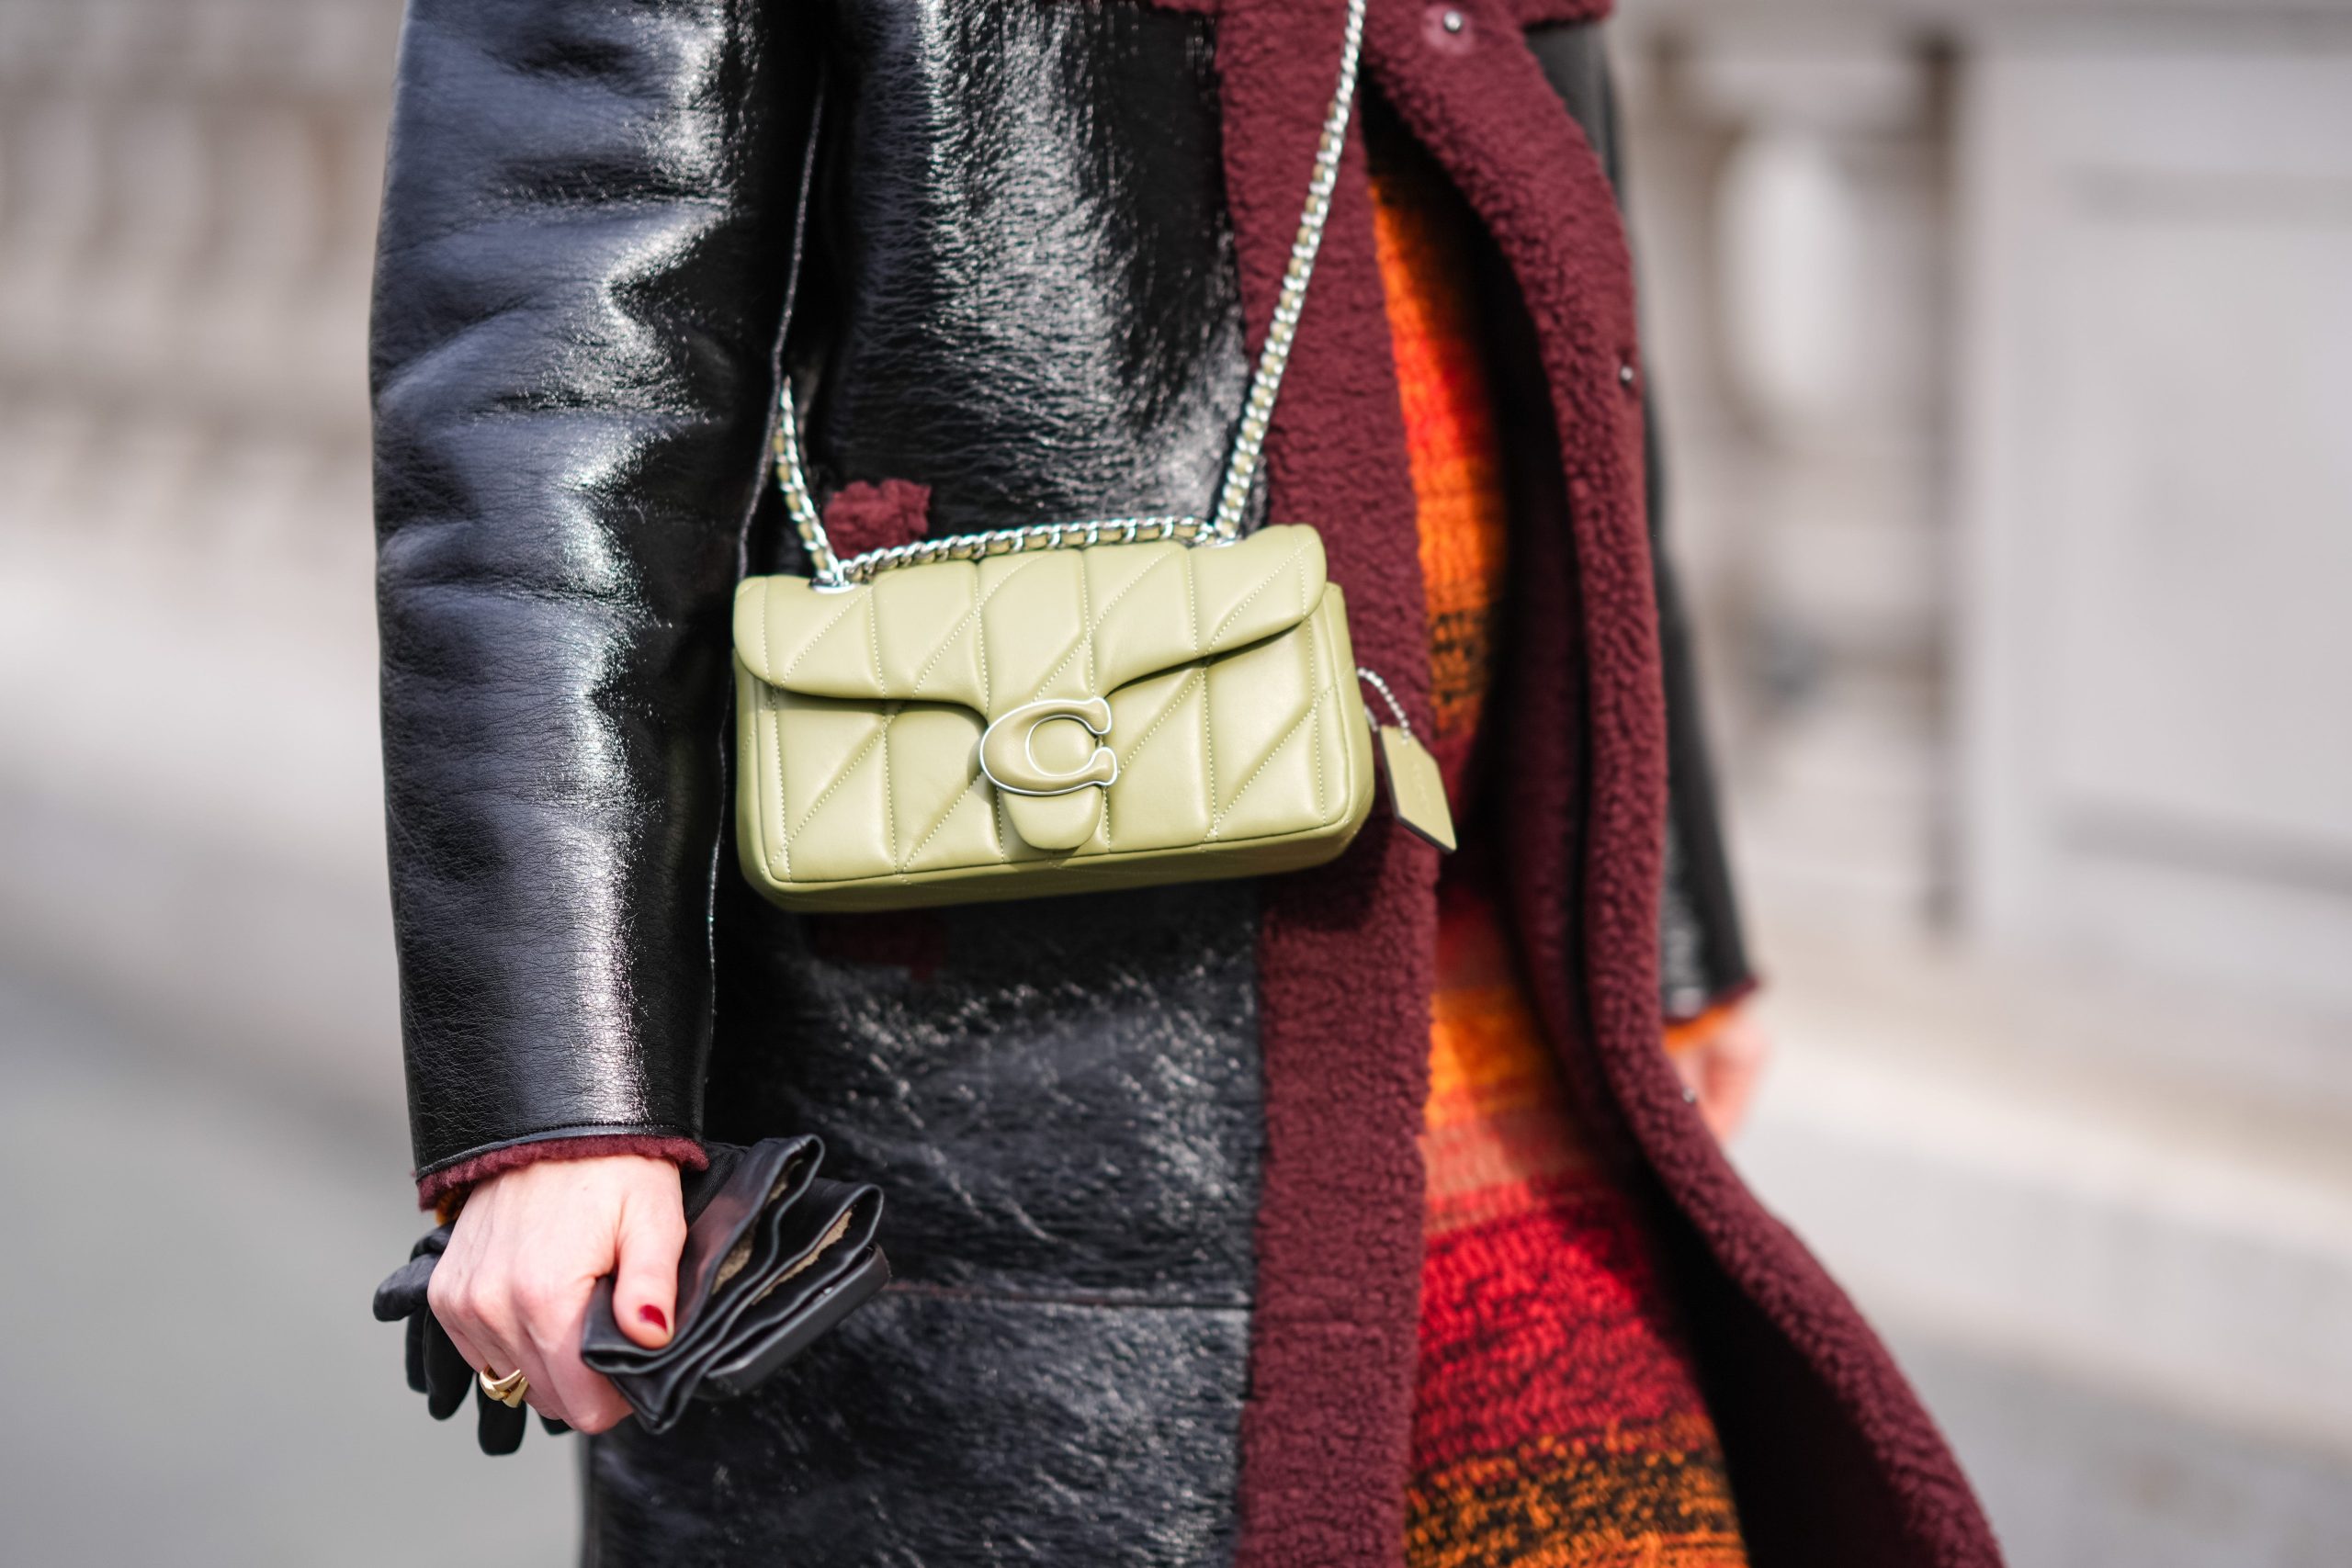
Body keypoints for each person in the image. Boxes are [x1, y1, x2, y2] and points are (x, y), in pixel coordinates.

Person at [369, 2, 1996, 1563]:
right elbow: (544, 382)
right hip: (993, 1075)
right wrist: (557, 1100)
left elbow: (1571, 305)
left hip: (1492, 1013)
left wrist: (1665, 916)